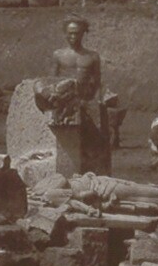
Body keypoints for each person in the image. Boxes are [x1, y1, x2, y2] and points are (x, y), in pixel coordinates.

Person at [35, 17, 122, 173]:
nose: (73, 37)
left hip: (86, 101)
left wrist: (96, 103)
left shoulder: (92, 57)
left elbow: (96, 82)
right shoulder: (58, 55)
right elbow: (51, 80)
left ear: (83, 34)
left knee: (93, 146)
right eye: (70, 33)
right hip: (64, 100)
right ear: (65, 34)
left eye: (77, 33)